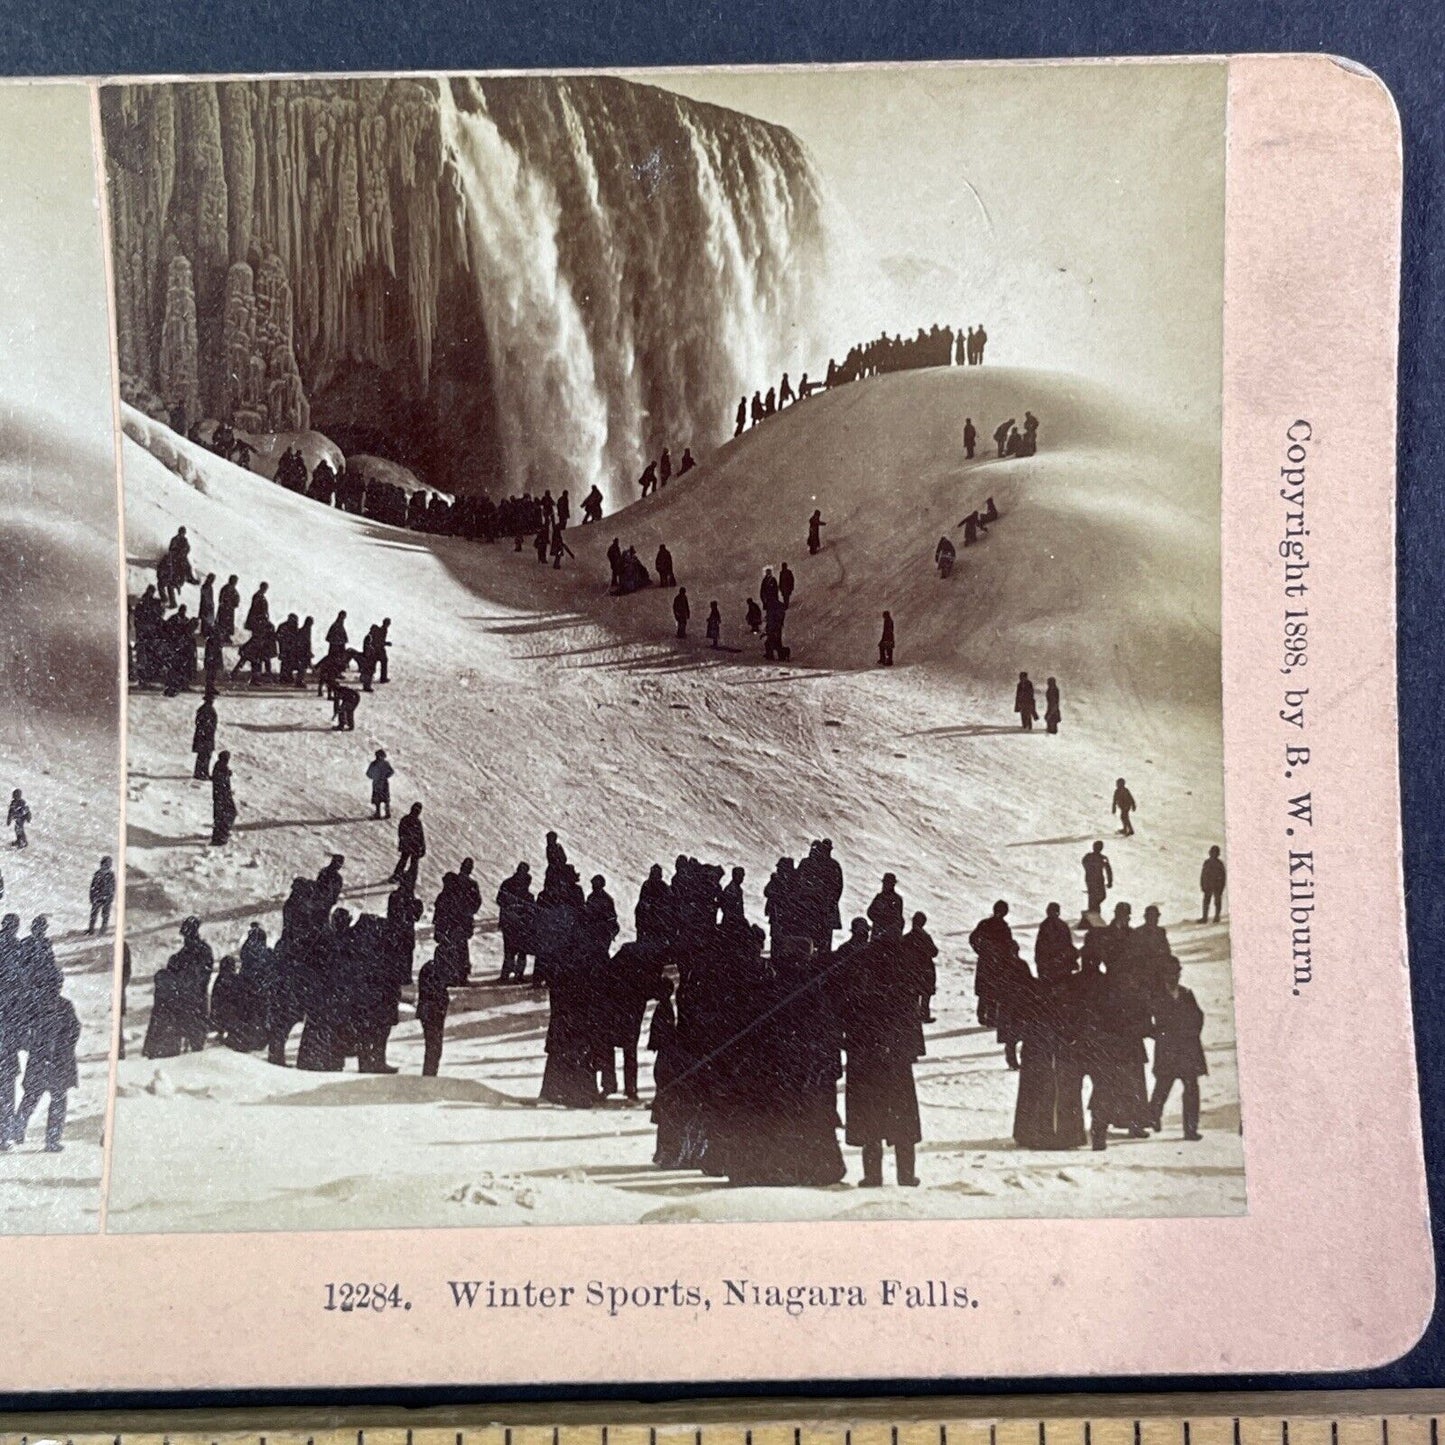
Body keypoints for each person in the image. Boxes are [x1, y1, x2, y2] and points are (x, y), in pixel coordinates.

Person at [839, 918, 924, 1187]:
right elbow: (912, 1008)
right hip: (896, 1054)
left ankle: (873, 1175)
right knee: (902, 1115)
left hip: (865, 1053)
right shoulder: (904, 965)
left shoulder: (858, 964)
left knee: (869, 1114)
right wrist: (912, 1048)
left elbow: (846, 1006)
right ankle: (906, 1175)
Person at [11, 968, 78, 1151]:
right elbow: (74, 1032)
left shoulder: (36, 1007)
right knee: (55, 1100)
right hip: (57, 1062)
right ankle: (51, 1140)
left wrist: (37, 1046)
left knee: (31, 1098)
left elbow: (23, 1034)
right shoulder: (63, 1006)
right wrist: (61, 1048)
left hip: (42, 1061)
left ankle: (17, 1133)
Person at [1149, 956, 1206, 1140]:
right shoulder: (1156, 997)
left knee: (1191, 1088)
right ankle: (1153, 1115)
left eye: (1176, 972)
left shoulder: (1187, 994)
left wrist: (1192, 1032)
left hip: (1188, 1049)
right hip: (1168, 1050)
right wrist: (1159, 1034)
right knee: (1163, 1087)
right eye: (1170, 973)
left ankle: (1190, 1129)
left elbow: (1198, 1016)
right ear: (1163, 975)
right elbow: (1148, 1021)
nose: (1174, 977)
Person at [497, 862, 534, 982]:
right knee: (521, 950)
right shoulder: (525, 889)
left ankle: (506, 975)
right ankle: (518, 975)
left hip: (509, 921)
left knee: (509, 950)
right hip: (521, 923)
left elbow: (500, 900)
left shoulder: (507, 884)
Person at [417, 951, 450, 1077]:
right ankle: (429, 1075)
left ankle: (429, 1074)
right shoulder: (436, 971)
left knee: (433, 1047)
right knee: (434, 1047)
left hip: (428, 1012)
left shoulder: (429, 968)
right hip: (432, 1013)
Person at [902, 911, 938, 1023]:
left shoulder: (906, 937)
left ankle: (912, 1015)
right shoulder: (925, 937)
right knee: (925, 994)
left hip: (911, 969)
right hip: (925, 969)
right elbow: (934, 952)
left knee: (913, 994)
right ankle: (924, 1015)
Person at [393, 802, 425, 886]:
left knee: (405, 860)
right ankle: (409, 877)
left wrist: (404, 841)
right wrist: (422, 846)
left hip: (410, 845)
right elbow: (420, 836)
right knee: (410, 861)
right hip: (413, 846)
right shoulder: (415, 821)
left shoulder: (406, 819)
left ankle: (399, 874)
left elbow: (401, 832)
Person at [1081, 840, 1112, 922]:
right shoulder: (1102, 858)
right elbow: (1108, 870)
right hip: (1095, 880)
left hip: (1093, 880)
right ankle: (1093, 914)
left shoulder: (1089, 856)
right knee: (1094, 897)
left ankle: (1093, 911)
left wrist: (1088, 870)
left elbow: (1083, 862)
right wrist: (1110, 881)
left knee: (1096, 897)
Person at [210, 751, 236, 845]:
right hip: (222, 796)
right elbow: (221, 781)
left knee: (221, 816)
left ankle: (220, 835)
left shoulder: (219, 766)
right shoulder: (222, 768)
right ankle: (221, 836)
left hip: (220, 796)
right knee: (226, 814)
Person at [867, 873, 904, 938]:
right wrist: (879, 919)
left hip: (889, 935)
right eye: (885, 883)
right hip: (877, 932)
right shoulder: (879, 897)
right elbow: (870, 912)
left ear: (892, 885)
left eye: (887, 883)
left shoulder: (897, 900)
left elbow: (898, 918)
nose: (884, 885)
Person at [191, 691, 218, 779]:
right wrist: (207, 728)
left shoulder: (206, 709)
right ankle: (200, 773)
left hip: (205, 736)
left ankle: (203, 772)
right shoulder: (205, 709)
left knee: (205, 755)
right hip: (205, 736)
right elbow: (200, 722)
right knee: (204, 755)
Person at [87, 856, 116, 935]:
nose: (108, 865)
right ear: (102, 864)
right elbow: (93, 886)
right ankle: (91, 929)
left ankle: (103, 930)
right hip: (97, 896)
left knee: (105, 915)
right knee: (94, 914)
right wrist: (92, 896)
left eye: (109, 863)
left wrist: (111, 897)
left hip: (106, 897)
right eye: (106, 863)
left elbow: (113, 887)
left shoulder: (110, 875)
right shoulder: (97, 874)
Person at [1200, 845, 1227, 922]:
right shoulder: (1206, 862)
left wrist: (1221, 887)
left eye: (1215, 852)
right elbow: (1203, 874)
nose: (1213, 854)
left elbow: (1223, 876)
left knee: (1217, 902)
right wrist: (1202, 884)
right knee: (1206, 902)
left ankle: (1217, 917)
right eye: (1212, 852)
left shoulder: (1219, 864)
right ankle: (1204, 917)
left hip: (1217, 886)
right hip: (1207, 886)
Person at [367, 749, 394, 819]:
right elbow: (391, 771)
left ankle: (379, 813)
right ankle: (386, 813)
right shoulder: (385, 763)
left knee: (379, 799)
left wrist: (374, 777)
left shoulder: (374, 764)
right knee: (384, 799)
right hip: (383, 783)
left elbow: (368, 773)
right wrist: (385, 776)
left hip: (378, 783)